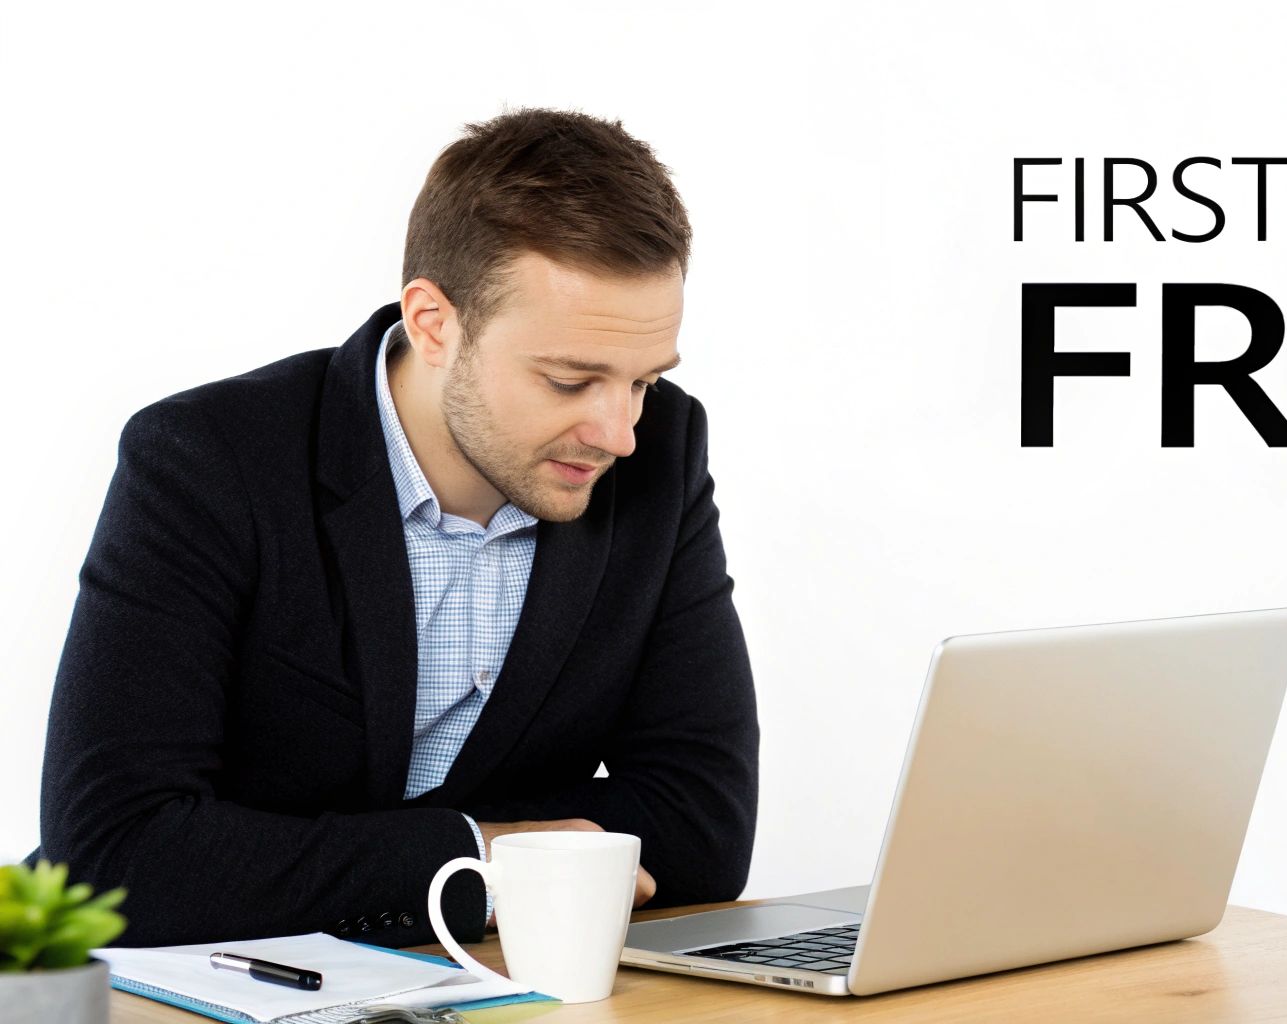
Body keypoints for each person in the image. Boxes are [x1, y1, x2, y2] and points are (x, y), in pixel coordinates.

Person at [30, 107, 759, 949]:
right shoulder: (209, 460)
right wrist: (475, 856)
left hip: (492, 981)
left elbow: (702, 826)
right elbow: (113, 855)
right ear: (433, 323)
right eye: (569, 381)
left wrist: (283, 856)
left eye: (643, 382)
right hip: (189, 988)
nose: (617, 433)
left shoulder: (661, 455)